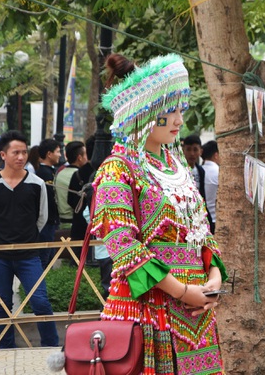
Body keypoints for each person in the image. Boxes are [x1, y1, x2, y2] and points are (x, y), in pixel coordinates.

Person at [92, 53, 227, 373]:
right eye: (170, 111)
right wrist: (182, 291)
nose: (179, 120)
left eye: (180, 110)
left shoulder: (177, 166)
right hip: (150, 315)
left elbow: (202, 231)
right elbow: (124, 247)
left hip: (198, 315)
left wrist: (214, 282)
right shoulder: (117, 169)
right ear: (142, 113)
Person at [0, 130, 58, 349]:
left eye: (23, 152)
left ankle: (51, 347)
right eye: (15, 152)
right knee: (2, 304)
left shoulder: (37, 184)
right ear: (3, 155)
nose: (21, 157)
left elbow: (42, 218)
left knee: (40, 300)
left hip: (29, 254)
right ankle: (6, 347)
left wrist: (27, 238)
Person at [67, 137, 95, 261]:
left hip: (79, 225)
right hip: (97, 227)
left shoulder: (77, 173)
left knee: (78, 260)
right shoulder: (103, 172)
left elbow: (70, 200)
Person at [35, 138, 61, 269]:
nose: (60, 155)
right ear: (49, 154)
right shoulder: (43, 173)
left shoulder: (49, 171)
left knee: (49, 257)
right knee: (44, 259)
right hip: (46, 221)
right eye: (58, 151)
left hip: (51, 220)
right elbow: (49, 199)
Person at [202, 140, 220, 234]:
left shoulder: (197, 171)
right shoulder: (218, 172)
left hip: (201, 220)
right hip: (215, 220)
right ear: (216, 155)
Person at [182, 134, 206, 200]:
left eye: (195, 150)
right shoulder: (179, 171)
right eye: (188, 149)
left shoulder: (201, 171)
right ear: (183, 150)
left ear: (200, 151)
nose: (192, 153)